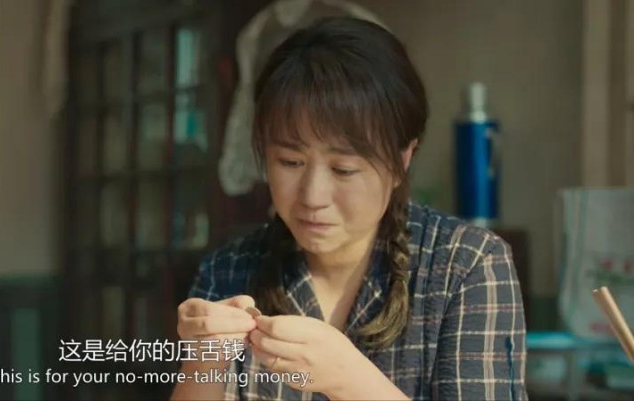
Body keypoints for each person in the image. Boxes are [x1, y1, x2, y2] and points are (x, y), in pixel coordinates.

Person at [172, 17, 526, 401]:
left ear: (402, 160)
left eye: (343, 169)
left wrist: (349, 379)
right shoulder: (228, 272)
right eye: (290, 162)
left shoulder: (466, 265)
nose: (313, 196)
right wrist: (202, 362)